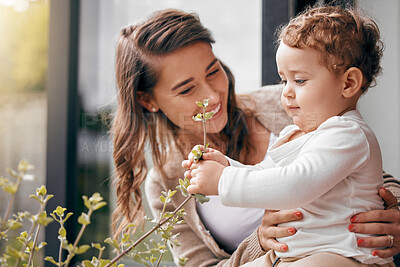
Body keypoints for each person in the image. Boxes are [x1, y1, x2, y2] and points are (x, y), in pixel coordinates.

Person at [110, 8, 400, 267]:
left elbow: (363, 174)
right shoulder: (166, 185)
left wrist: (394, 212)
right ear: (148, 101)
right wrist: (258, 242)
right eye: (186, 89)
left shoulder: (291, 105)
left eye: (213, 71)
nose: (211, 96)